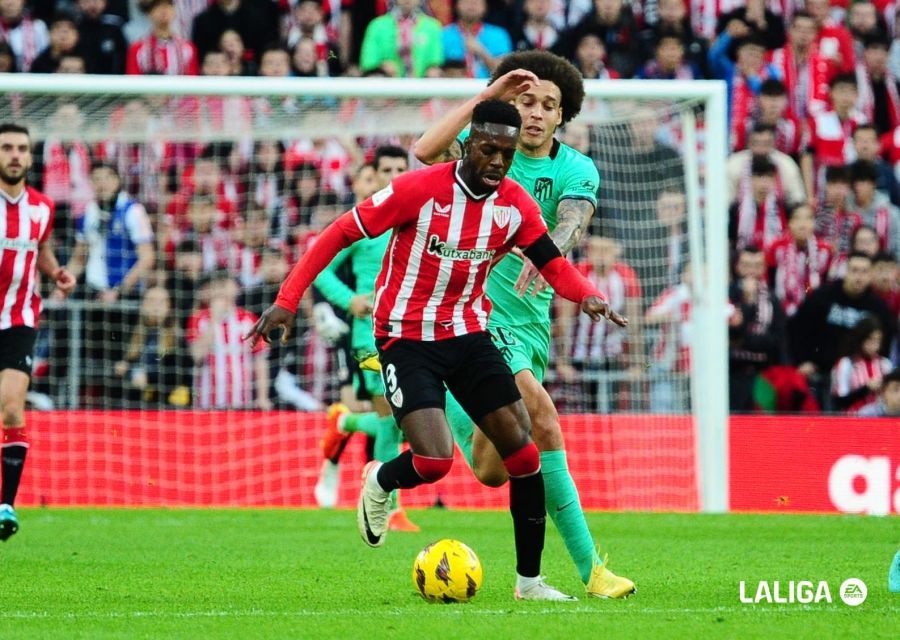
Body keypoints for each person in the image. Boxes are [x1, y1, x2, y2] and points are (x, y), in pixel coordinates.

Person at [246, 99, 626, 601]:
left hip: (467, 334)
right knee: (434, 461)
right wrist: (286, 301)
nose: (497, 162)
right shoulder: (418, 189)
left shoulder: (514, 204)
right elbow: (339, 232)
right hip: (405, 338)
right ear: (467, 146)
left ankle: (530, 583)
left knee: (523, 452)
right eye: (488, 149)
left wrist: (588, 295)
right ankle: (380, 478)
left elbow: (552, 263)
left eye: (507, 153)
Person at [413, 51, 635, 598]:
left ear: (562, 116)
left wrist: (547, 252)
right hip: (474, 316)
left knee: (493, 469)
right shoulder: (487, 156)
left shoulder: (576, 169)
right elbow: (424, 151)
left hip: (532, 330)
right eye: (527, 101)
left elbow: (572, 221)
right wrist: (486, 97)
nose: (536, 113)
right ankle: (590, 571)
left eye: (549, 105)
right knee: (545, 417)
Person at [313, 149, 418, 534]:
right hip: (370, 337)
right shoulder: (366, 220)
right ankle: (391, 509)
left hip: (412, 332)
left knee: (409, 422)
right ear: (374, 175)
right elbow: (319, 267)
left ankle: (344, 421)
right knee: (393, 420)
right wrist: (349, 300)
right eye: (386, 170)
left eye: (401, 169)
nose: (394, 175)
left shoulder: (417, 217)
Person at [0, 123, 76, 540]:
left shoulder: (42, 207)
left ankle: (6, 504)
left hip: (18, 318)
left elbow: (39, 248)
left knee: (12, 408)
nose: (15, 155)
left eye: (21, 149)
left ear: (30, 157)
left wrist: (56, 272)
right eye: (7, 148)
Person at [830, 316, 894, 412]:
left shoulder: (885, 365)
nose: (875, 345)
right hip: (853, 418)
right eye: (870, 340)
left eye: (878, 341)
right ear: (861, 339)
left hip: (880, 418)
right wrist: (866, 389)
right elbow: (839, 401)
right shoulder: (846, 364)